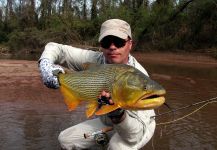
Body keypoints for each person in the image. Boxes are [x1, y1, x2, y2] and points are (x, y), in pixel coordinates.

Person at [38, 19, 156, 150]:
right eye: (106, 42)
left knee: (117, 147)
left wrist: (117, 114)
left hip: (138, 127)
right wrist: (45, 64)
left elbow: (133, 136)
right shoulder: (96, 59)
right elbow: (56, 48)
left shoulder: (140, 79)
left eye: (118, 42)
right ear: (101, 45)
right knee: (66, 140)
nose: (112, 47)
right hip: (107, 120)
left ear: (130, 44)